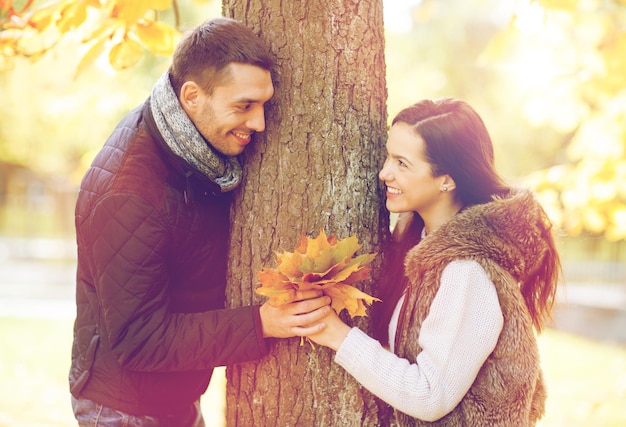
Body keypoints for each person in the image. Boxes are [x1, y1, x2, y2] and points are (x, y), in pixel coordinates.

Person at [69, 17, 331, 426]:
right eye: (244, 106)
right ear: (191, 96)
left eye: (264, 105)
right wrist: (261, 323)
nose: (259, 124)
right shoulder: (131, 194)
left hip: (173, 395)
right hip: (125, 409)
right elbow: (137, 341)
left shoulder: (190, 146)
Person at [306, 98, 560, 426]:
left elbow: (431, 395)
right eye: (388, 156)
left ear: (447, 180)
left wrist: (336, 334)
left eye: (402, 163)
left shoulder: (466, 272)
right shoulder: (420, 244)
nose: (384, 173)